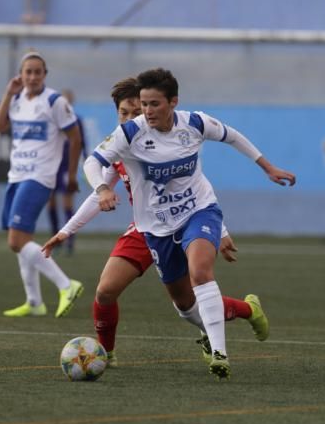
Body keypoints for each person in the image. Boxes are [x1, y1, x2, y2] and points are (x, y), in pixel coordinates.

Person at [82, 68, 296, 380]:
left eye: (154, 104)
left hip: (199, 211)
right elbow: (92, 162)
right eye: (144, 104)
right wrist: (101, 189)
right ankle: (247, 309)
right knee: (184, 305)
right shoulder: (131, 133)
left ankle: (220, 353)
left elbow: (232, 135)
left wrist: (267, 167)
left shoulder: (195, 123)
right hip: (156, 228)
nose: (147, 111)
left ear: (173, 102)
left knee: (200, 271)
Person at [42, 77, 270, 368]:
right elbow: (96, 194)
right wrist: (65, 232)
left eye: (135, 111)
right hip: (145, 229)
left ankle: (231, 325)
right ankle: (107, 354)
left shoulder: (166, 138)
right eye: (123, 112)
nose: (130, 118)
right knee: (107, 291)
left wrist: (220, 230)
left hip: (184, 220)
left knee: (196, 285)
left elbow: (194, 185)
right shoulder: (122, 144)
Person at [0, 51, 84, 318]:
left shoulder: (55, 101)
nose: (32, 77)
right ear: (21, 74)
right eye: (27, 72)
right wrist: (8, 94)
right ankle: (34, 302)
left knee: (15, 240)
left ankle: (67, 285)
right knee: (23, 240)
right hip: (16, 175)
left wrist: (72, 174)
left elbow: (75, 139)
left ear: (45, 74)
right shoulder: (17, 99)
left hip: (40, 176)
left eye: (37, 72)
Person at [46, 88, 87, 253]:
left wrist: (84, 162)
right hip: (51, 166)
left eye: (69, 101)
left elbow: (82, 143)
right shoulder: (52, 121)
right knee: (51, 201)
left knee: (67, 202)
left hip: (67, 166)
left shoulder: (77, 121)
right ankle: (56, 239)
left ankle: (70, 240)